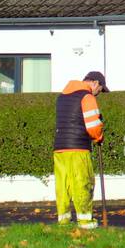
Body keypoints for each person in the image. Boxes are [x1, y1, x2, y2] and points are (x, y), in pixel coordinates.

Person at [53, 71, 106, 229]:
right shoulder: (87, 97)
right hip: (79, 148)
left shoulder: (62, 97)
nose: (98, 94)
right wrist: (99, 137)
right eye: (100, 90)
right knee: (83, 183)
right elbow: (93, 127)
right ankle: (85, 221)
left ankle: (64, 221)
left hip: (60, 148)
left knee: (63, 185)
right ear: (95, 83)